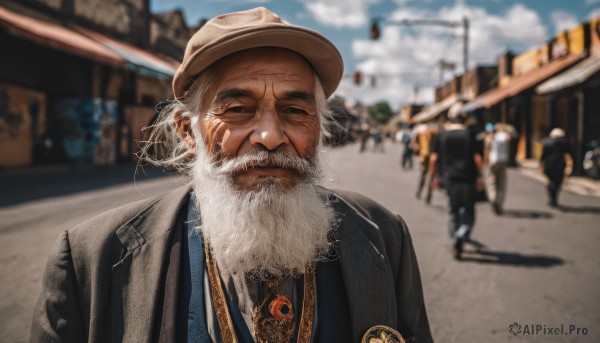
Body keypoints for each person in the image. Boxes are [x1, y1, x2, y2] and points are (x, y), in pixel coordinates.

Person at [30, 7, 432, 343]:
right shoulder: (89, 258)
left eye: (295, 111)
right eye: (238, 109)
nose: (271, 136)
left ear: (319, 128)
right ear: (189, 132)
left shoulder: (383, 234)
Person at [429, 103, 483, 259]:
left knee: (453, 211)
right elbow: (477, 158)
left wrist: (434, 178)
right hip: (468, 179)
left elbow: (433, 159)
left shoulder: (442, 135)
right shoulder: (469, 134)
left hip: (449, 180)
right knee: (468, 210)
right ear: (464, 118)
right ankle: (461, 234)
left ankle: (455, 240)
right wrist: (480, 176)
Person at [540, 128, 573, 207]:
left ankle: (552, 198)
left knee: (549, 182)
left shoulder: (547, 143)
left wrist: (540, 164)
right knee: (557, 183)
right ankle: (554, 199)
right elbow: (569, 154)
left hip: (548, 165)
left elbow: (543, 155)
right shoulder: (565, 143)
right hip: (560, 165)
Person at [484, 123, 511, 214]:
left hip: (493, 161)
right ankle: (499, 202)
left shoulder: (492, 136)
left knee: (491, 181)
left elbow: (487, 147)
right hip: (503, 160)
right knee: (501, 182)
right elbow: (509, 139)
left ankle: (493, 198)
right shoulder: (505, 135)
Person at [413, 124, 439, 204]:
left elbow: (414, 142)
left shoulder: (432, 133)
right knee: (426, 176)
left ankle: (426, 195)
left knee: (427, 176)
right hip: (427, 157)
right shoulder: (423, 133)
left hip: (429, 157)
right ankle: (422, 193)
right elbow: (415, 142)